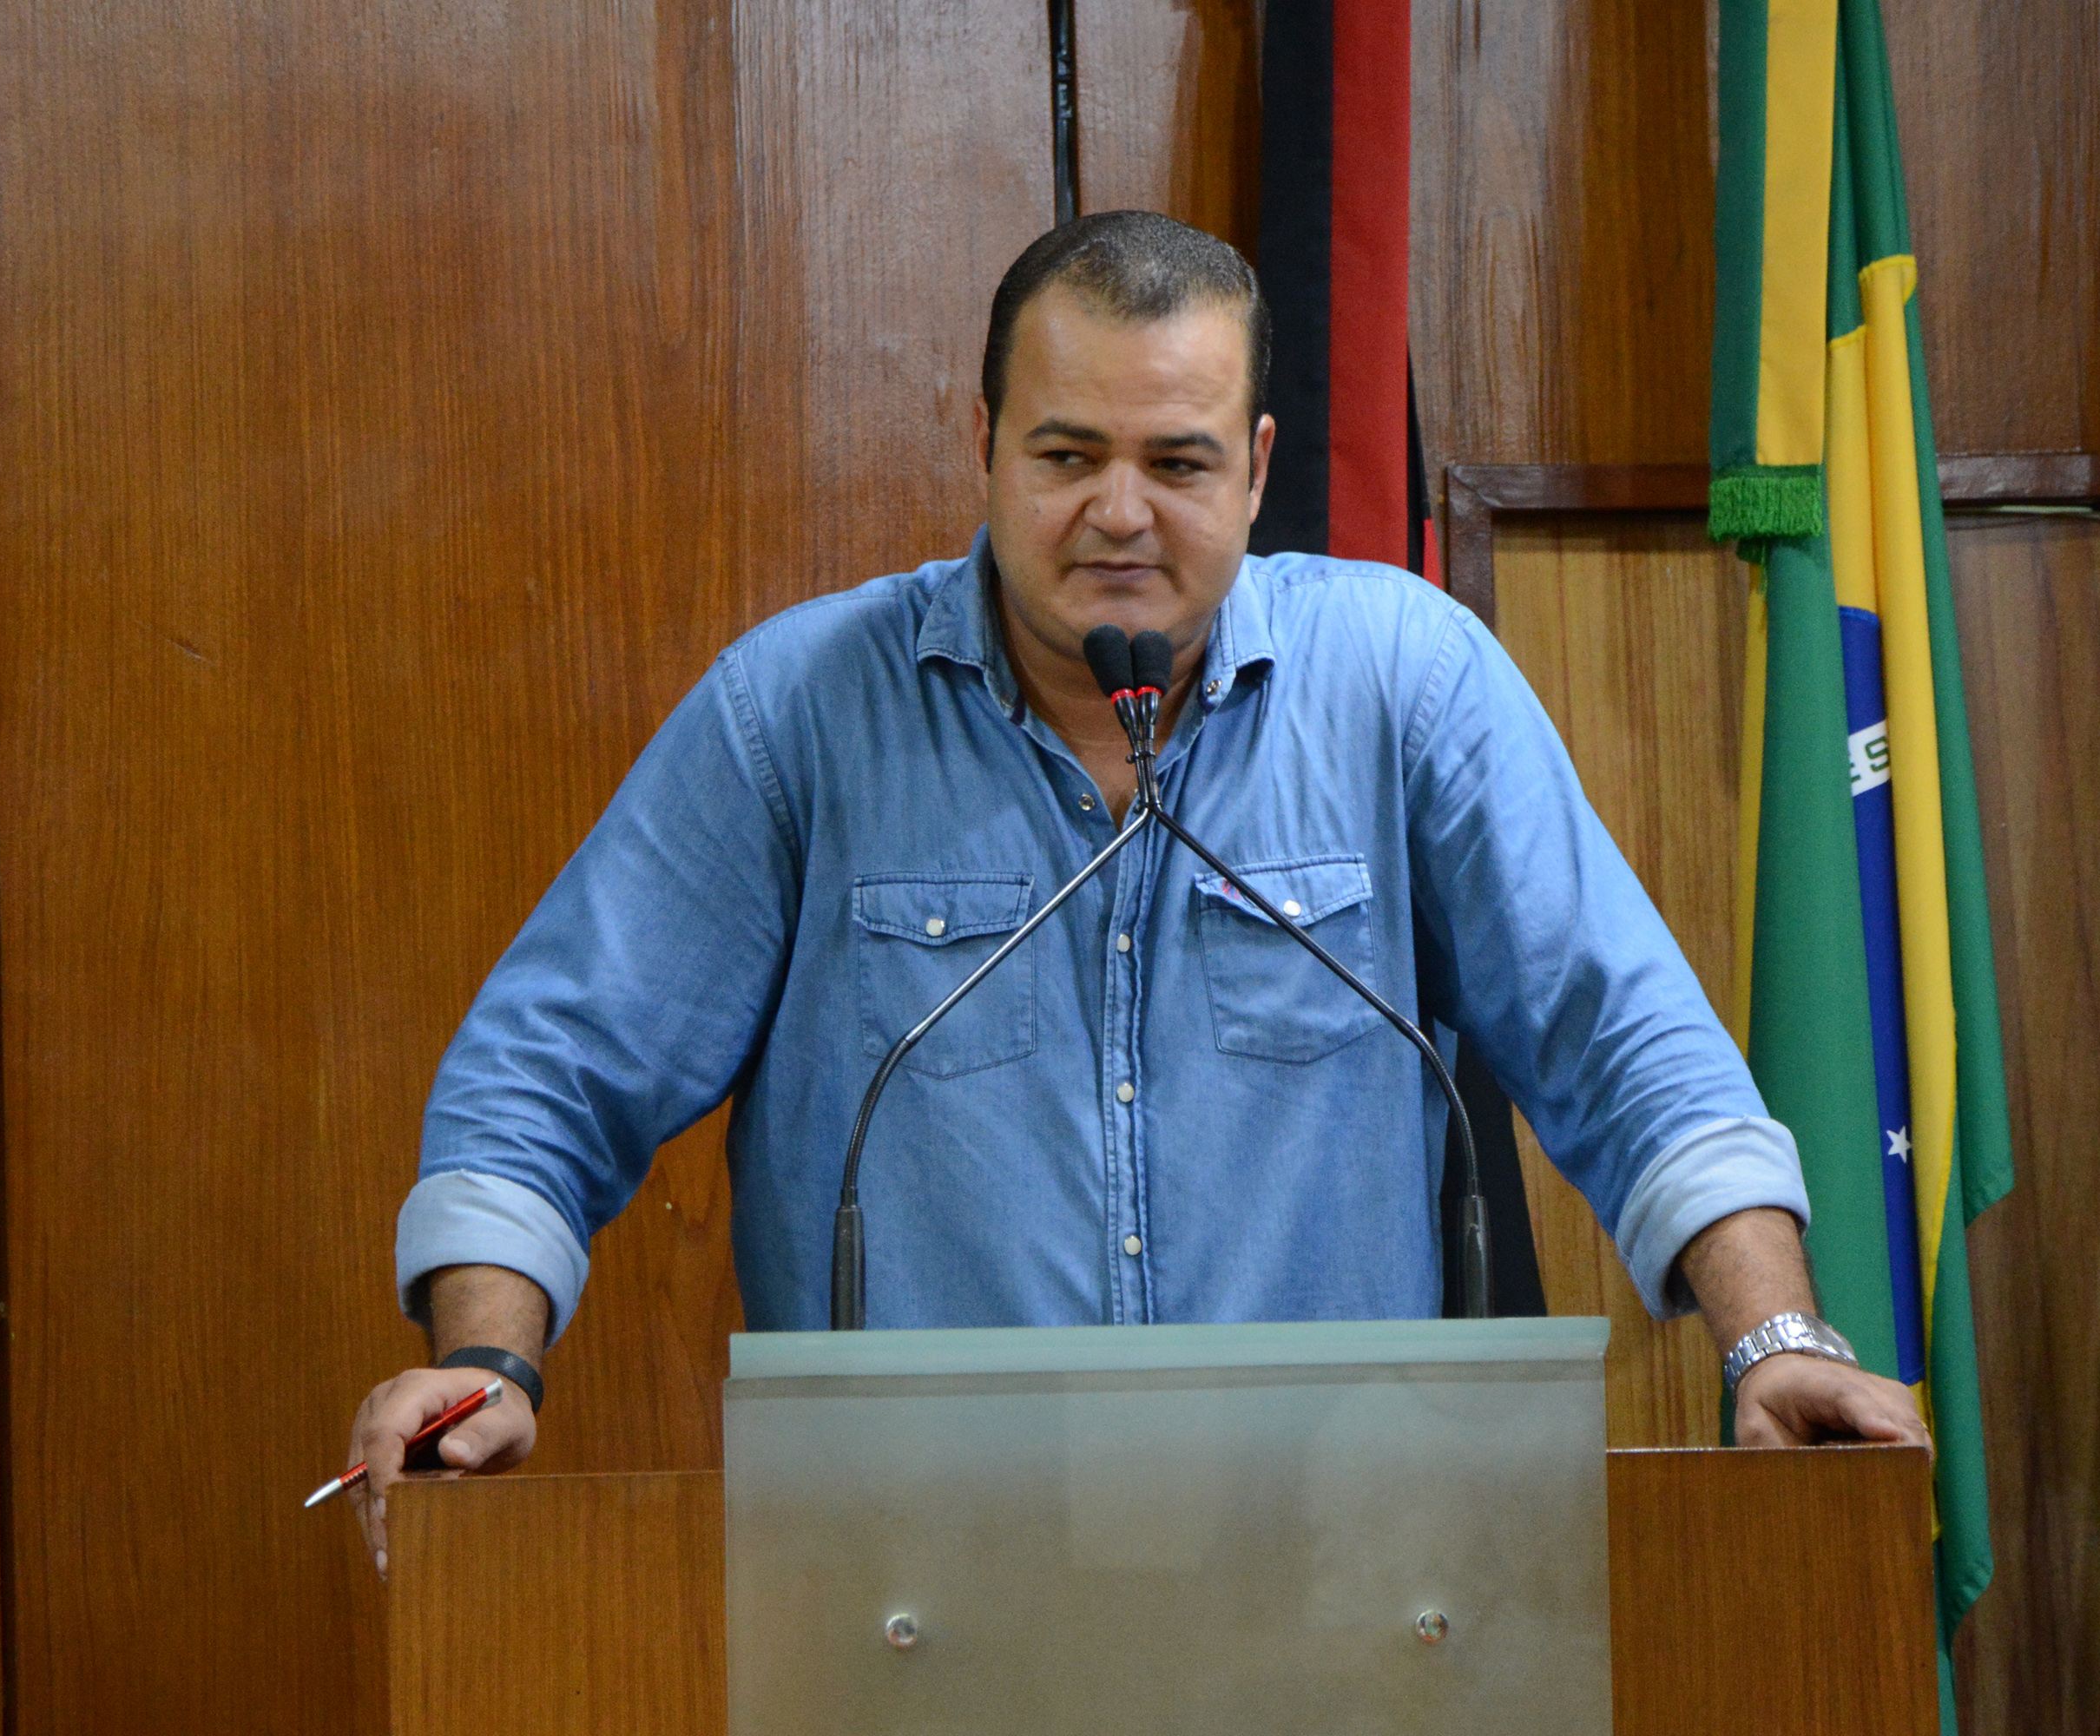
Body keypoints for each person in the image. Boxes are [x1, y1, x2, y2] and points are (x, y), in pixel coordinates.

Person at [344, 212, 1928, 1568]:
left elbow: (1627, 1043)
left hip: (1343, 1580)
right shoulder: (797, 717)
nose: (1119, 514)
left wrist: (1773, 1336)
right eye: (1066, 456)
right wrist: (487, 1361)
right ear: (982, 444)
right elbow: (546, 1076)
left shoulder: (1405, 685)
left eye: (1176, 462)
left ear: (1255, 467)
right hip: (914, 1589)